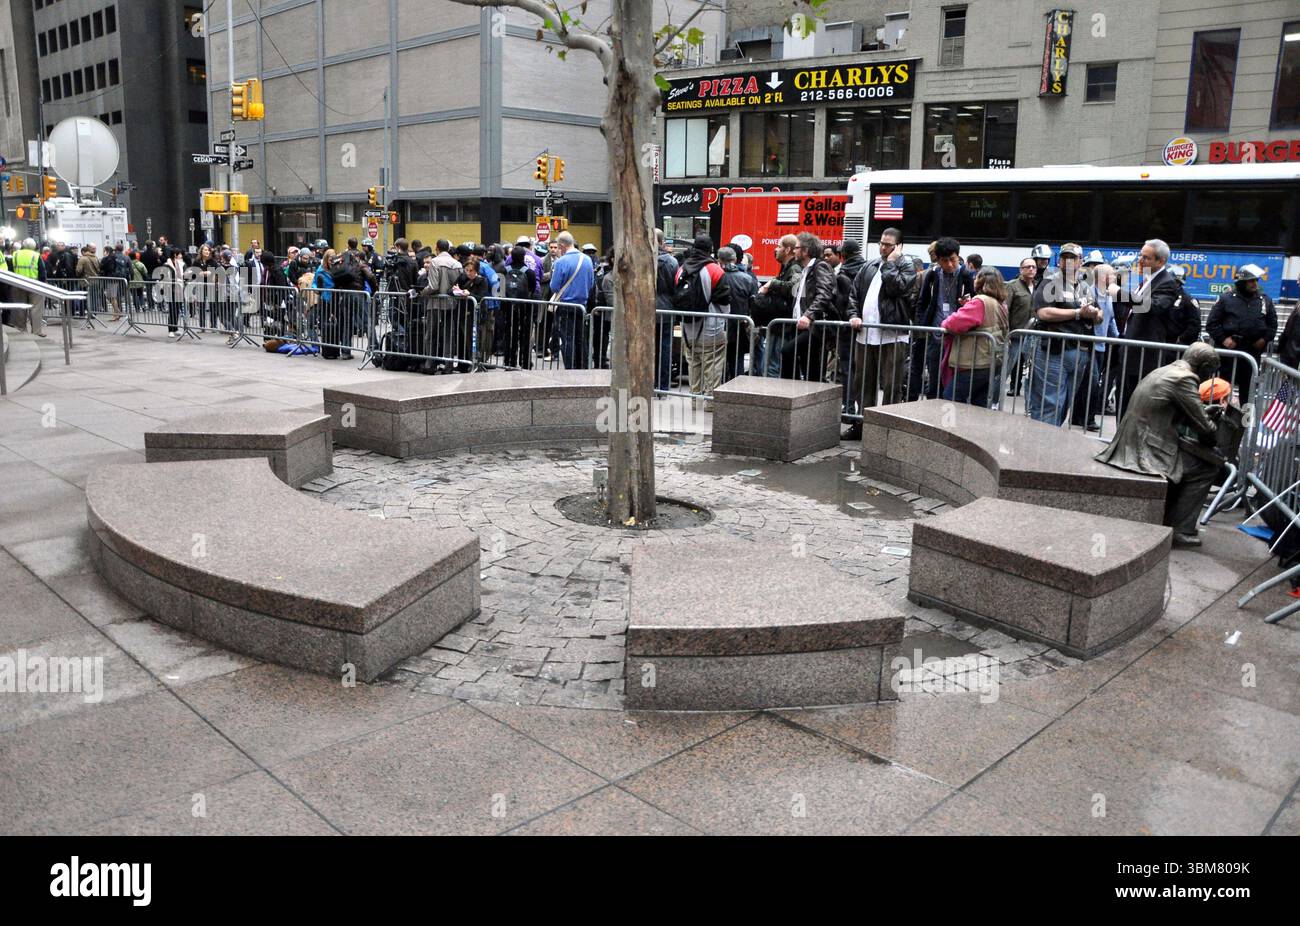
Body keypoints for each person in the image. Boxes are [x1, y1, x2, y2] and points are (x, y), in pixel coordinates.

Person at [1095, 342, 1226, 546]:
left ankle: (1168, 515)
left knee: (1191, 460)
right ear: (1204, 367)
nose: (1210, 377)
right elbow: (1206, 430)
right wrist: (1211, 425)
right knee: (1206, 467)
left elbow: (1168, 408)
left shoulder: (1166, 370)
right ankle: (1180, 529)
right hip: (1145, 447)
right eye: (1210, 371)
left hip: (1133, 438)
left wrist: (1201, 413)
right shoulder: (1185, 379)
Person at [845, 227, 916, 438]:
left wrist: (891, 263)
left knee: (891, 384)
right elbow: (854, 294)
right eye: (881, 244)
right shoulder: (869, 265)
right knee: (863, 381)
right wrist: (853, 314)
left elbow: (897, 288)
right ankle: (862, 425)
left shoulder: (907, 266)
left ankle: (887, 429)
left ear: (899, 247)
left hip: (892, 334)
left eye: (888, 245)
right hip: (865, 333)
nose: (883, 248)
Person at [1027, 243, 1101, 425]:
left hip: (1080, 353)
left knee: (1064, 404)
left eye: (1072, 258)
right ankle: (1039, 447)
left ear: (1080, 261)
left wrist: (1095, 314)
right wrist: (1077, 313)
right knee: (1049, 404)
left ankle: (1049, 442)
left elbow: (1100, 315)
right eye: (1064, 257)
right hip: (1054, 351)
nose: (1067, 261)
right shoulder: (1050, 282)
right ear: (1059, 261)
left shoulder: (1085, 286)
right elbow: (1043, 312)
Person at [1118, 238, 1184, 419]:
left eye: (1146, 258)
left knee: (1136, 409)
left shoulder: (1166, 283)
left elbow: (1152, 306)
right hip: (1131, 353)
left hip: (1144, 357)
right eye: (1140, 256)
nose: (1140, 260)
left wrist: (1120, 294)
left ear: (1161, 261)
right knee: (1124, 405)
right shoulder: (1147, 280)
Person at [909, 237, 973, 399]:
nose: (950, 264)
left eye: (953, 260)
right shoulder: (932, 275)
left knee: (952, 380)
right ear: (938, 260)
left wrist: (967, 303)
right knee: (934, 377)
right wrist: (922, 327)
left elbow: (975, 302)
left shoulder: (965, 275)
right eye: (945, 261)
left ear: (958, 257)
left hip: (957, 336)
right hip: (935, 335)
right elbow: (922, 303)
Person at [673, 236, 732, 406]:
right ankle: (710, 403)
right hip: (711, 328)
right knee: (712, 365)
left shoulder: (682, 268)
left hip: (688, 329)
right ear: (710, 249)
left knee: (693, 363)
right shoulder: (714, 269)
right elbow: (724, 300)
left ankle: (694, 400)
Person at [1206, 263, 1276, 406]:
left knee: (1248, 394)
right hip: (1229, 353)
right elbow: (1211, 324)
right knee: (1222, 390)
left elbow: (1272, 325)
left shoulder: (1264, 300)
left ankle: (1245, 424)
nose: (1255, 283)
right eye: (1251, 280)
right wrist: (1224, 340)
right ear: (1242, 282)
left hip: (1252, 353)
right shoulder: (1226, 299)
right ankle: (1218, 420)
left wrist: (1264, 340)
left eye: (1256, 280)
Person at [941, 266, 1009, 407]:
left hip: (974, 362)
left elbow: (953, 324)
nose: (974, 279)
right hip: (991, 362)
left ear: (982, 281)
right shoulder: (1001, 303)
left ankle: (950, 428)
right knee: (979, 404)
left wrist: (948, 319)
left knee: (950, 400)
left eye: (976, 277)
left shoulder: (980, 301)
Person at [779, 232, 837, 381]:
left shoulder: (820, 266)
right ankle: (803, 398)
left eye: (796, 248)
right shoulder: (805, 270)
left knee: (787, 351)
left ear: (805, 250)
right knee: (810, 367)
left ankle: (790, 392)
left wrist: (808, 315)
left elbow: (824, 294)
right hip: (802, 326)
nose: (794, 251)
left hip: (815, 327)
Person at [1071, 261, 1121, 431]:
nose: (1115, 277)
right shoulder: (1089, 294)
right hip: (1089, 345)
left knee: (1088, 383)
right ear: (1103, 278)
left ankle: (1077, 418)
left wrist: (1119, 338)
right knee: (1091, 384)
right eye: (1112, 274)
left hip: (1101, 347)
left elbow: (1111, 320)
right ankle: (1088, 419)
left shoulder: (1108, 295)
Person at [753, 234, 803, 377]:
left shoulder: (794, 268)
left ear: (787, 250)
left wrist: (773, 284)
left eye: (779, 246)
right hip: (779, 326)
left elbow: (795, 288)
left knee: (773, 366)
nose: (776, 249)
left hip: (784, 327)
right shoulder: (787, 268)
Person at [547, 231, 594, 370]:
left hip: (565, 305)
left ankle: (570, 370)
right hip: (582, 305)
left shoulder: (561, 262)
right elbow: (591, 284)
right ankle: (583, 368)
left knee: (567, 340)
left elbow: (554, 286)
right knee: (581, 339)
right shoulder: (587, 259)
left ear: (561, 246)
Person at [719, 245, 756, 383]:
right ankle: (737, 388)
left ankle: (721, 388)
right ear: (735, 259)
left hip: (720, 324)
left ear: (719, 259)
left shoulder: (717, 276)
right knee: (737, 359)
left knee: (719, 360)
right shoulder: (747, 279)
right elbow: (754, 303)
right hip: (740, 323)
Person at [500, 245, 539, 370]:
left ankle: (509, 361)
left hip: (508, 308)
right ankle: (525, 361)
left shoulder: (504, 270)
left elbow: (500, 289)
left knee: (510, 334)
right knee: (525, 335)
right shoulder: (529, 272)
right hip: (525, 308)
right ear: (524, 257)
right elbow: (532, 289)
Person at [1003, 256, 1037, 397]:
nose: (1031, 269)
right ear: (1020, 269)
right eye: (1027, 267)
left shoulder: (1038, 286)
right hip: (1015, 336)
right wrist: (1006, 333)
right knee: (1006, 368)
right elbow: (1004, 310)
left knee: (1032, 371)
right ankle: (993, 400)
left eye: (1033, 267)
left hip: (1032, 337)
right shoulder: (1012, 285)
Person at [654, 229, 678, 390]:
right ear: (663, 242)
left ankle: (647, 383)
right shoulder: (671, 262)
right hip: (666, 309)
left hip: (645, 309)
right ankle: (662, 386)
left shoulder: (642, 258)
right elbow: (675, 287)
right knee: (664, 347)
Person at [9, 237, 48, 336]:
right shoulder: (36, 255)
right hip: (34, 284)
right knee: (36, 309)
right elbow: (42, 272)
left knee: (20, 308)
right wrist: (43, 284)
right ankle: (36, 331)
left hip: (18, 284)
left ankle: (21, 329)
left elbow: (10, 269)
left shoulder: (15, 254)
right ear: (34, 246)